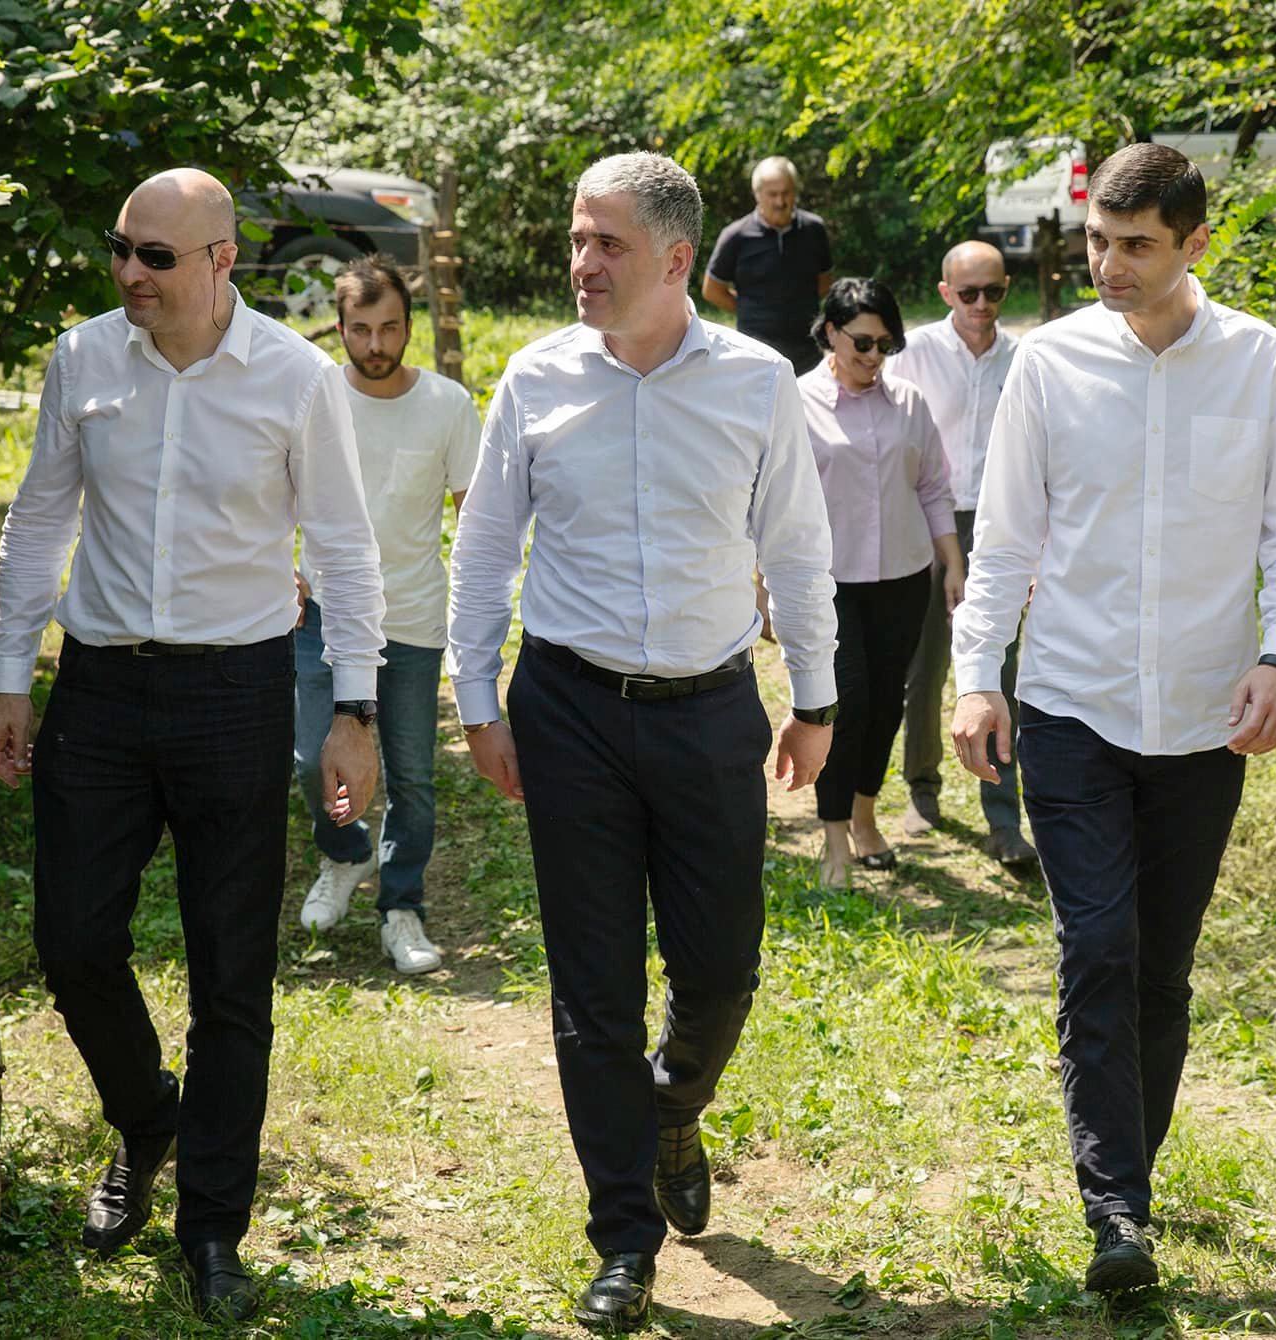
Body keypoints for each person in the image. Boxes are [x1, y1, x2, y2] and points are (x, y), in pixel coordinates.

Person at [0, 167, 387, 1324]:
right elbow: (40, 516)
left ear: (221, 261)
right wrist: (11, 674)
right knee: (72, 941)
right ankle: (146, 1116)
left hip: (234, 694)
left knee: (231, 977)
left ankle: (212, 1225)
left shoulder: (296, 378)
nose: (128, 273)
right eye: (119, 248)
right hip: (101, 690)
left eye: (154, 256)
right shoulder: (83, 358)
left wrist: (353, 709)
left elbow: (345, 548)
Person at [448, 152, 839, 1333]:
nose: (581, 262)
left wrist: (815, 699)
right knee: (593, 990)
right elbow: (486, 545)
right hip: (567, 708)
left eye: (605, 243)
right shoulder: (535, 377)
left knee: (720, 968)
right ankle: (623, 1235)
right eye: (577, 238)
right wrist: (477, 698)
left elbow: (798, 548)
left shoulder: (757, 382)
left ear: (675, 261)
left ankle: (671, 1105)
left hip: (710, 709)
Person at [951, 143, 1276, 1293]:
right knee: (1097, 945)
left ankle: (1132, 1180)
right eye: (1095, 243)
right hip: (1072, 704)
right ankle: (1113, 1207)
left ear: (1193, 243)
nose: (1107, 266)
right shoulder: (1048, 363)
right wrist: (977, 675)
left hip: (1207, 716)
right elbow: (1004, 540)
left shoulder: (1261, 364)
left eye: (1135, 245)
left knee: (1159, 966)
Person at [292, 254, 481, 974]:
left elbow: (476, 521)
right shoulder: (313, 399)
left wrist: (475, 619)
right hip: (323, 616)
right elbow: (269, 492)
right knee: (310, 761)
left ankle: (402, 908)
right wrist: (280, 563)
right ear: (339, 327)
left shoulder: (447, 405)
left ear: (410, 326)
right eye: (361, 329)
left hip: (411, 621)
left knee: (412, 779)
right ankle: (346, 853)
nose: (376, 345)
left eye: (391, 328)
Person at [797, 277, 963, 887]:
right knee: (847, 704)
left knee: (888, 702)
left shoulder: (909, 403)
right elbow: (772, 499)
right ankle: (833, 838)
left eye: (886, 345)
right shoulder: (797, 402)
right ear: (831, 333)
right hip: (830, 584)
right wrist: (761, 581)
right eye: (862, 343)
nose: (874, 357)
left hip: (903, 578)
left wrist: (954, 564)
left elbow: (934, 488)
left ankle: (865, 817)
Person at [892, 241, 1039, 871]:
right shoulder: (913, 353)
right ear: (945, 292)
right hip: (928, 520)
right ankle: (921, 788)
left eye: (994, 292)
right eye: (969, 293)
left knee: (999, 668)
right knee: (925, 665)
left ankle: (1003, 818)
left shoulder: (1024, 357)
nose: (982, 304)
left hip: (1002, 525)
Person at [701, 156, 834, 375]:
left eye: (786, 193)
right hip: (755, 354)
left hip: (807, 353)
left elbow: (825, 282)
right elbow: (712, 290)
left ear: (795, 192)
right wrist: (752, 309)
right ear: (757, 195)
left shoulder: (814, 230)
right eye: (772, 194)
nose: (780, 202)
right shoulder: (736, 236)